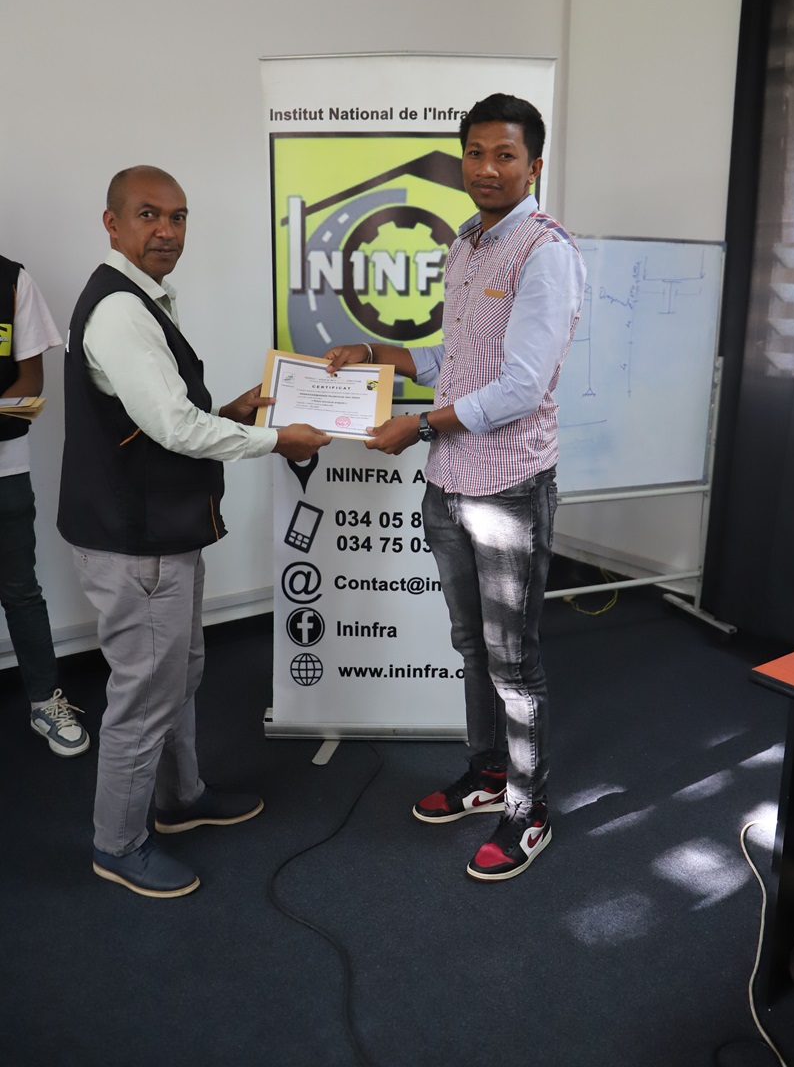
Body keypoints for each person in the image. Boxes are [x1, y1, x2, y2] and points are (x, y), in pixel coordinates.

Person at [325, 94, 586, 882]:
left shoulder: (545, 252)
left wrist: (419, 426)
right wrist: (382, 354)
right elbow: (459, 360)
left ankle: (530, 809)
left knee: (514, 659)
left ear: (534, 165)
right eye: (475, 153)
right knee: (471, 645)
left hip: (508, 487)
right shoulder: (467, 242)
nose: (487, 168)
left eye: (505, 155)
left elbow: (522, 386)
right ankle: (489, 773)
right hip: (448, 483)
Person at [58, 165, 330, 899]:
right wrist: (276, 439)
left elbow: (159, 414)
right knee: (146, 694)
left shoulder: (144, 298)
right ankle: (118, 845)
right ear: (112, 223)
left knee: (178, 675)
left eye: (178, 217)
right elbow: (174, 428)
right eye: (148, 215)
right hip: (135, 542)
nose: (167, 231)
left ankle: (179, 800)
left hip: (160, 533)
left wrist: (235, 412)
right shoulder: (119, 309)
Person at [0, 255, 90, 756]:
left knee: (20, 592)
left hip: (5, 471)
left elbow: (30, 382)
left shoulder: (11, 280)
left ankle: (44, 702)